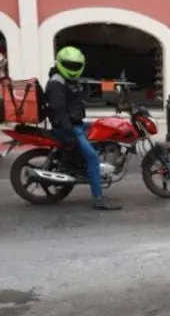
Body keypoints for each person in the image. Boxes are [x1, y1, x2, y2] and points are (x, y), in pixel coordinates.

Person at [45, 46, 121, 210]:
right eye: (69, 65)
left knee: (104, 127)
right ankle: (98, 199)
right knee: (93, 158)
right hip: (67, 128)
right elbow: (59, 111)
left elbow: (83, 99)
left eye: (75, 65)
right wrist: (71, 132)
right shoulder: (56, 83)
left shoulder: (68, 81)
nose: (72, 69)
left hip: (75, 124)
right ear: (59, 63)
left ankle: (88, 160)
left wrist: (111, 102)